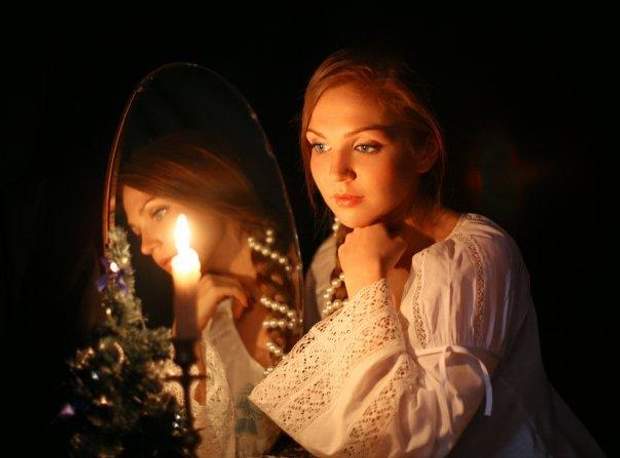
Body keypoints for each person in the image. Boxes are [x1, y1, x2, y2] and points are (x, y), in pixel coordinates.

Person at [248, 48, 605, 457]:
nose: (336, 171)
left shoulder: (472, 257)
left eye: (365, 146)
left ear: (424, 150)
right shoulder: (332, 255)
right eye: (320, 146)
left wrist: (368, 286)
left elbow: (415, 443)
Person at [119, 132, 302, 457]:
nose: (145, 246)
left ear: (206, 187)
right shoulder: (206, 315)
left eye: (158, 212)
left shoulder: (309, 265)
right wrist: (188, 339)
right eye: (137, 232)